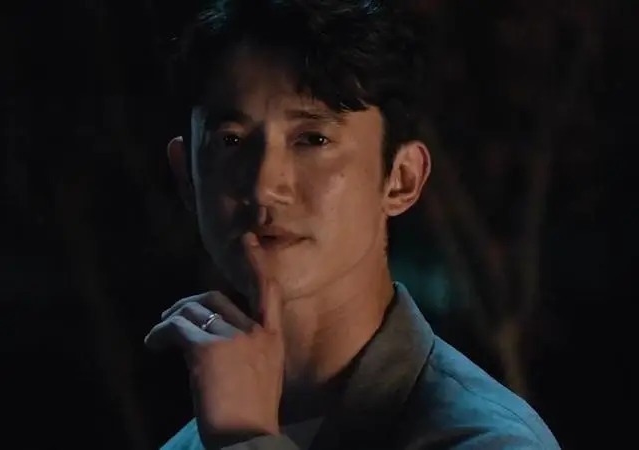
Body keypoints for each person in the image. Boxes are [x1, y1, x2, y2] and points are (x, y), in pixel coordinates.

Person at [144, 0, 561, 448]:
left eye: (313, 139)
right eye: (231, 140)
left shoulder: (488, 438)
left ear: (401, 179)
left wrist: (245, 439)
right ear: (186, 176)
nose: (264, 186)